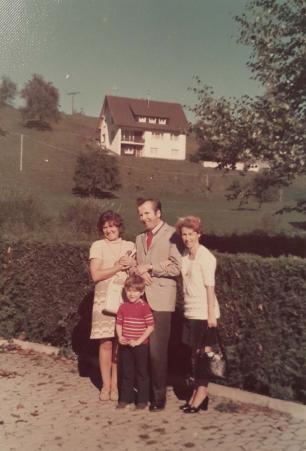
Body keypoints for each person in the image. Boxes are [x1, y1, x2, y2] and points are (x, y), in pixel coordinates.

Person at [134, 198, 182, 412]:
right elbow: (137, 268)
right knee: (141, 350)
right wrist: (136, 269)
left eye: (147, 213)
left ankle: (159, 397)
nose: (143, 218)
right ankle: (143, 393)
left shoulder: (173, 234)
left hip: (162, 300)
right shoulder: (139, 238)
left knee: (156, 352)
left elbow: (177, 267)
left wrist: (150, 267)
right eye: (140, 214)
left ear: (158, 213)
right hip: (142, 299)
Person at [175, 215, 220, 414]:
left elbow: (210, 288)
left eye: (191, 234)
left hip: (204, 313)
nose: (187, 238)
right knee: (194, 355)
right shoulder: (184, 255)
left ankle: (200, 395)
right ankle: (197, 393)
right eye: (184, 234)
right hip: (190, 312)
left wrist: (211, 316)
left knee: (204, 356)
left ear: (199, 234)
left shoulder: (206, 257)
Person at [89, 210, 135, 402]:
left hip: (123, 298)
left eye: (112, 225)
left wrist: (132, 263)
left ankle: (116, 386)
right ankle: (105, 386)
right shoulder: (97, 246)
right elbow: (96, 275)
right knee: (105, 343)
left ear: (119, 226)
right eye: (105, 227)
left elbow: (134, 272)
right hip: (103, 299)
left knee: (119, 343)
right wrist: (117, 266)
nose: (109, 230)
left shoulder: (130, 245)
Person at [116, 275, 154, 409]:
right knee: (127, 372)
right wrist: (120, 337)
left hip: (140, 346)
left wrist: (138, 341)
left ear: (142, 292)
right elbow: (119, 323)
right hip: (125, 345)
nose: (132, 294)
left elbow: (150, 326)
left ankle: (142, 400)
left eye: (135, 291)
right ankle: (125, 399)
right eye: (129, 290)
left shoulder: (145, 307)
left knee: (142, 372)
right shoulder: (123, 307)